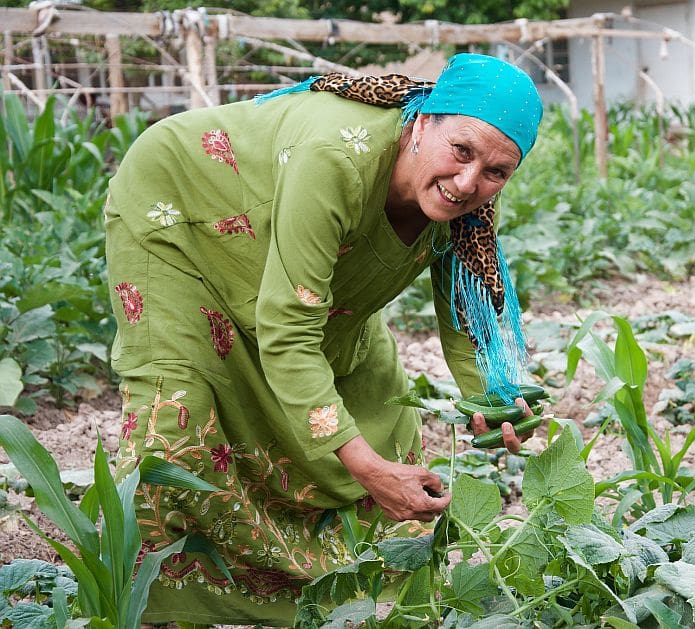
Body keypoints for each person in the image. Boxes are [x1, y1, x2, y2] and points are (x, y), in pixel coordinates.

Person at [104, 52, 544, 626]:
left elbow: (465, 307)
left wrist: (491, 394)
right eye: (461, 151)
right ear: (420, 122)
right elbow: (288, 331)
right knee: (182, 407)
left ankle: (347, 595)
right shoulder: (337, 158)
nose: (469, 182)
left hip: (289, 249)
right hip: (184, 214)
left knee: (375, 402)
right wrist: (364, 467)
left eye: (496, 171)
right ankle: (155, 599)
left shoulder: (469, 204)